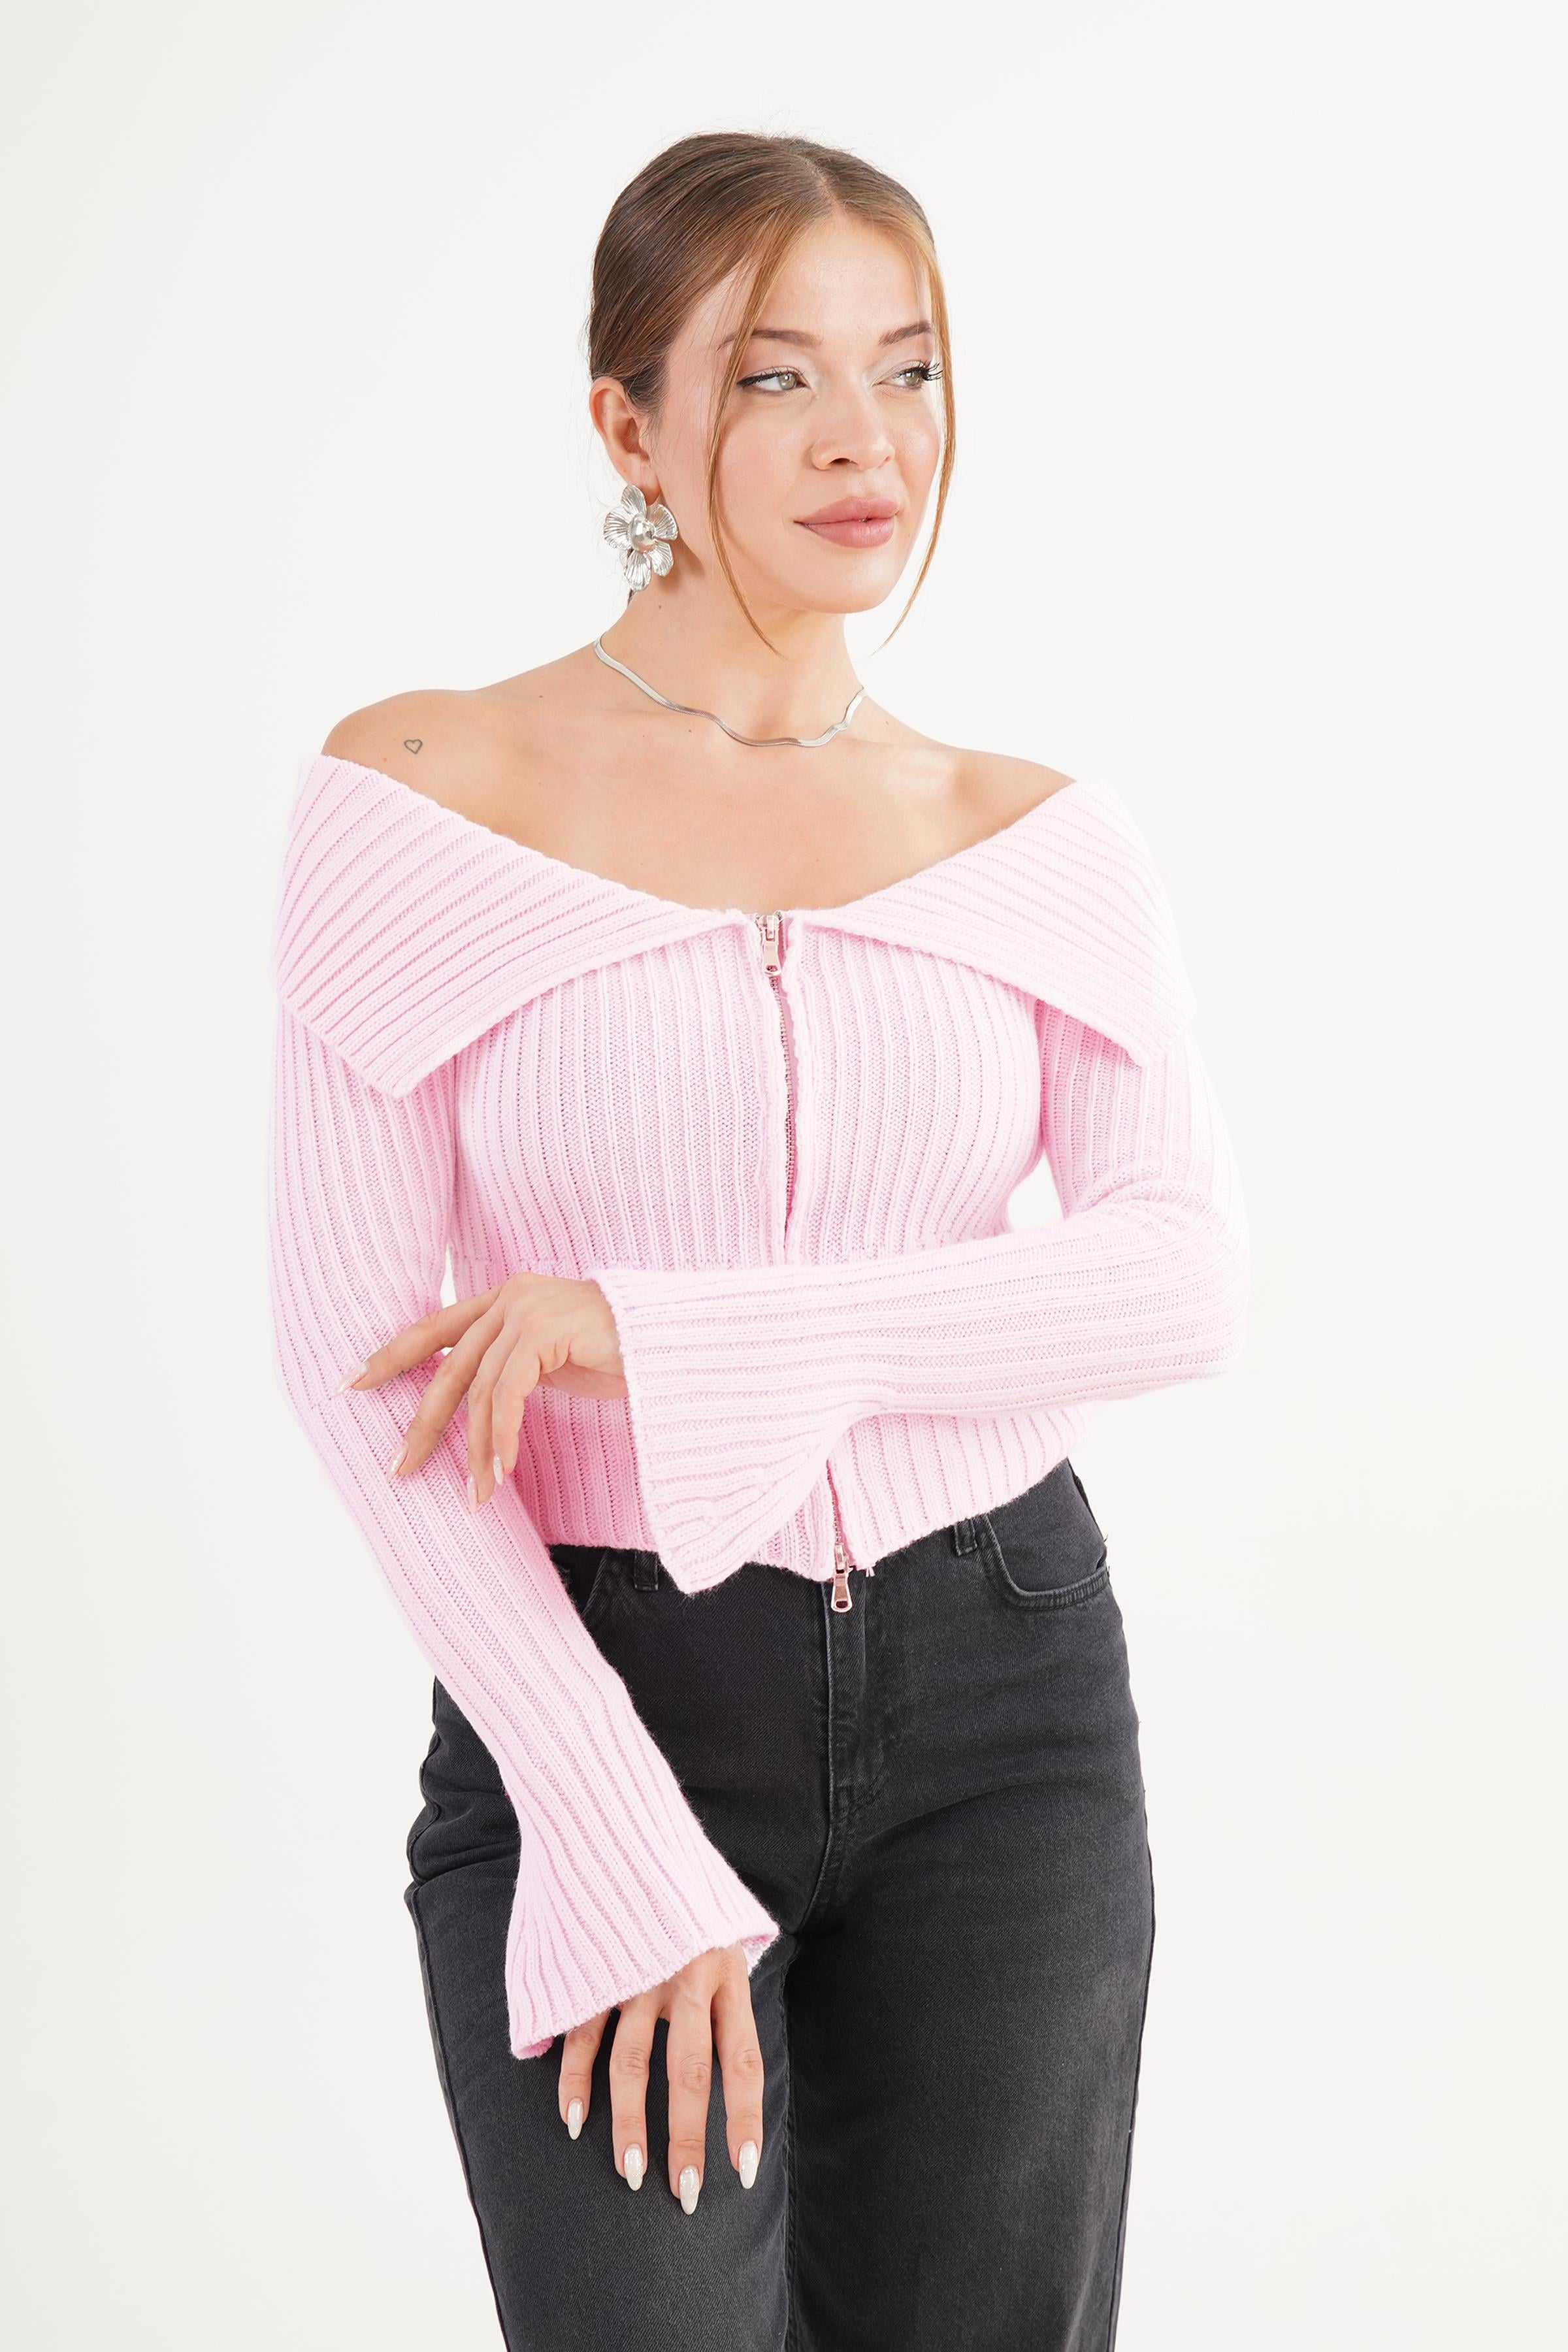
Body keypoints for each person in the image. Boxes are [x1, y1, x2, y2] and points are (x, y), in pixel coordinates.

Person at [268, 129, 1249, 2352]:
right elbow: (354, 1350)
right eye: (776, 376)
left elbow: (1183, 1269)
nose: (862, 440)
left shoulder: (1036, 837)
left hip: (1007, 1703)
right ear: (628, 427)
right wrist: (603, 1817)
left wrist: (686, 1336)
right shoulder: (425, 791)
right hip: (602, 1677)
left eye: (908, 369)